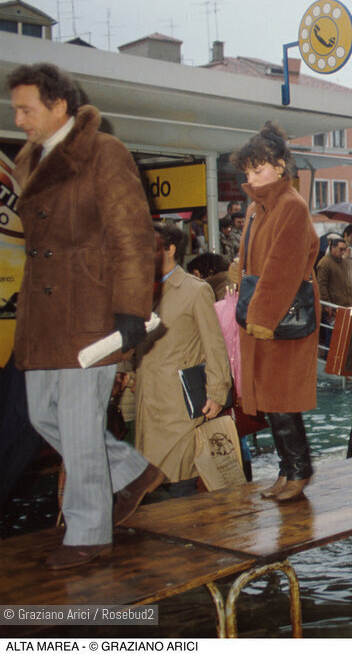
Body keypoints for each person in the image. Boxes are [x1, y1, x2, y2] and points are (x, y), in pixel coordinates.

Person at [8, 62, 161, 569]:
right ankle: (132, 470)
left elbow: (132, 235)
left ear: (59, 106)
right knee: (40, 415)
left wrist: (131, 311)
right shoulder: (31, 160)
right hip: (45, 317)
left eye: (27, 109)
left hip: (91, 310)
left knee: (77, 425)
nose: (19, 119)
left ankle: (88, 534)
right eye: (15, 110)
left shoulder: (104, 152)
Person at [231, 121, 320, 501]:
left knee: (281, 396)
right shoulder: (257, 207)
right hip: (264, 313)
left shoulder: (289, 206)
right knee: (270, 397)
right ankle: (289, 469)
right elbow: (250, 262)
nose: (253, 176)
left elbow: (283, 269)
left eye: (260, 168)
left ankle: (299, 469)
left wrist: (261, 319)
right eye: (249, 170)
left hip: (279, 317)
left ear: (281, 165)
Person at [133, 222, 232, 498]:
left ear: (170, 249)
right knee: (149, 481)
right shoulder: (141, 290)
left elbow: (214, 345)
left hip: (178, 404)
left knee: (180, 479)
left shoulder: (196, 290)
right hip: (146, 398)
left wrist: (217, 391)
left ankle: (186, 538)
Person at [316, 234, 352, 308]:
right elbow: (321, 286)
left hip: (349, 305)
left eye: (344, 250)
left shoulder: (344, 261)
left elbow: (350, 282)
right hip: (334, 306)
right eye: (341, 249)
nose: (343, 252)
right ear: (332, 248)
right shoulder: (324, 263)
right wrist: (327, 306)